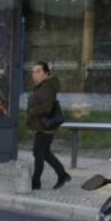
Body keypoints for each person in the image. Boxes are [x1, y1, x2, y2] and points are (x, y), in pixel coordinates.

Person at [26, 61, 70, 190]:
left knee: (38, 153)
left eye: (38, 71)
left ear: (46, 73)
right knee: (44, 153)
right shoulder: (42, 85)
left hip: (45, 126)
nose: (35, 74)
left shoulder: (46, 86)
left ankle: (36, 182)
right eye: (33, 71)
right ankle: (62, 174)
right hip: (42, 126)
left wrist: (32, 111)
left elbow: (47, 107)